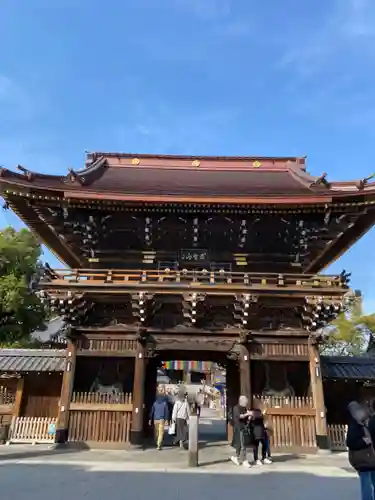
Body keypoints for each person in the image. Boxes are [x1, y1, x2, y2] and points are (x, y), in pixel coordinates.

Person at [346, 401, 375, 500]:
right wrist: (364, 441)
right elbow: (350, 442)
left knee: (369, 483)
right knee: (366, 485)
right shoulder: (355, 424)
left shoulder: (366, 422)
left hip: (370, 458)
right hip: (364, 460)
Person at [230, 395, 252, 468]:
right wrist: (247, 414)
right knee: (242, 445)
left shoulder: (245, 408)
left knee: (242, 444)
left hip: (243, 428)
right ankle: (244, 460)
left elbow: (245, 418)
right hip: (238, 428)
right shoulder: (236, 408)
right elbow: (240, 416)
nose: (246, 403)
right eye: (245, 401)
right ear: (241, 401)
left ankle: (237, 458)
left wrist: (249, 417)